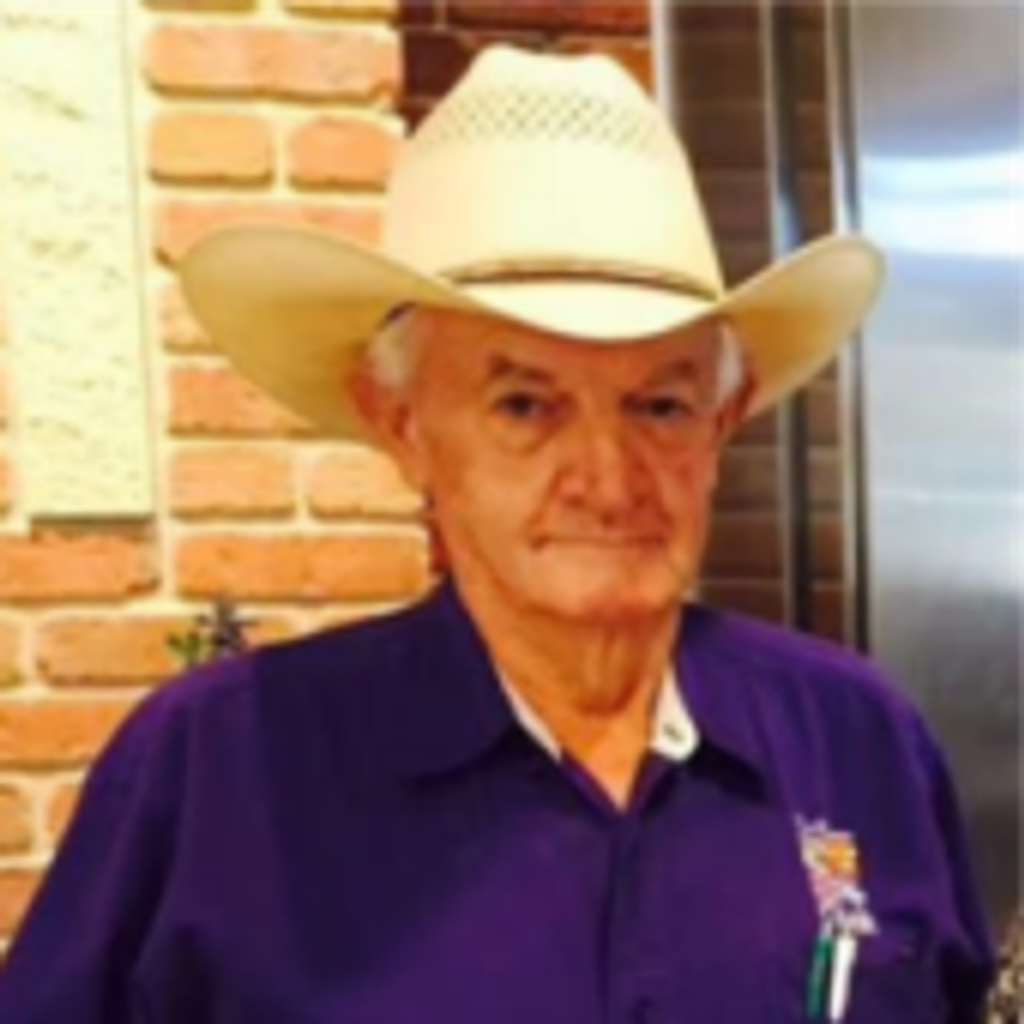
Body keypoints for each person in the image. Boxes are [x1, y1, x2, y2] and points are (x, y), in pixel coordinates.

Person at [0, 45, 994, 1023]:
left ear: (721, 422)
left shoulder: (858, 738)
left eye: (660, 406)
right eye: (526, 405)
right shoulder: (216, 772)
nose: (608, 481)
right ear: (402, 424)